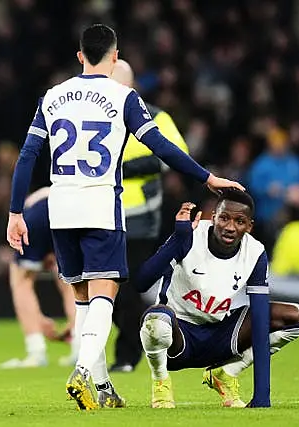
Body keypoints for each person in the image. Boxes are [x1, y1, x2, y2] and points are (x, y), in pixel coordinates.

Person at [6, 24, 243, 411]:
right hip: (100, 204)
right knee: (106, 292)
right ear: (115, 57)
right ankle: (83, 371)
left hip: (60, 207)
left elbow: (27, 156)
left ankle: (101, 386)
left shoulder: (52, 97)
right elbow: (161, 146)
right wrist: (207, 177)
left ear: (80, 56)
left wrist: (16, 212)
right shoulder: (123, 97)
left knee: (83, 298)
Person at [135, 190, 299, 408]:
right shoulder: (191, 235)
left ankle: (226, 373)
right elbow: (141, 282)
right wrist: (178, 240)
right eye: (224, 218)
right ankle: (161, 384)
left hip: (219, 336)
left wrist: (261, 396)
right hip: (177, 338)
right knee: (156, 320)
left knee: (295, 317)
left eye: (239, 221)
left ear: (249, 226)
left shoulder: (254, 252)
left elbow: (260, 317)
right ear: (213, 216)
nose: (230, 227)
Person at [108, 59, 189, 373]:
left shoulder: (154, 117)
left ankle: (126, 356)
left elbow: (174, 156)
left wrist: (124, 169)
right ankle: (147, 332)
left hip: (139, 217)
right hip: (101, 213)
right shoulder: (98, 118)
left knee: (126, 288)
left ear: (130, 85)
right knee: (104, 290)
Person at [0, 186, 77, 369]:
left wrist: (37, 317)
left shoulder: (29, 203)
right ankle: (79, 346)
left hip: (39, 213)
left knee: (21, 280)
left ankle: (36, 351)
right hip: (70, 212)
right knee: (70, 280)